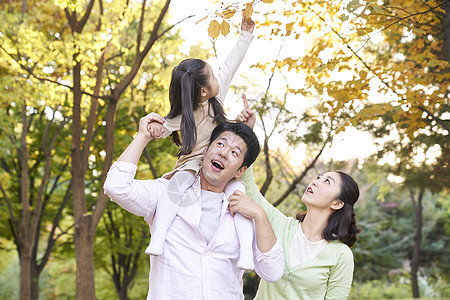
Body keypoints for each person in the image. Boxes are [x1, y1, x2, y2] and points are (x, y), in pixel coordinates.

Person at [103, 117, 284, 300]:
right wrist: (142, 136)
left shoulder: (245, 215)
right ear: (205, 151)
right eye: (220, 144)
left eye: (234, 153)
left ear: (240, 171)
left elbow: (273, 272)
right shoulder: (168, 193)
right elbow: (116, 186)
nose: (223, 153)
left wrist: (260, 215)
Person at [144, 18, 256, 270]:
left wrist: (245, 35)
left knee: (239, 199)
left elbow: (230, 65)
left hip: (222, 161)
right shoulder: (183, 114)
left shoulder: (217, 99)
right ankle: (158, 236)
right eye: (213, 76)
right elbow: (162, 128)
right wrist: (153, 128)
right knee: (176, 186)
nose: (218, 77)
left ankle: (246, 254)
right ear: (203, 91)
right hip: (193, 163)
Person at [232, 101, 361, 299]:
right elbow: (250, 189)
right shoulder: (280, 225)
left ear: (337, 203)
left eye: (327, 181)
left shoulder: (340, 256)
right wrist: (246, 135)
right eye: (318, 177)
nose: (316, 181)